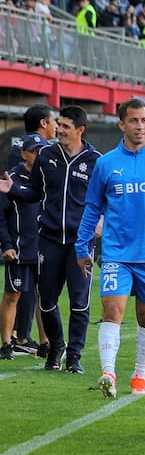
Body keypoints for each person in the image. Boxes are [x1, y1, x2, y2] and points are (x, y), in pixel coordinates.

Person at [72, 100, 145, 397]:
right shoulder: (107, 163)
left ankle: (139, 375)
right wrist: (82, 245)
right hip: (116, 252)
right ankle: (108, 372)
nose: (140, 126)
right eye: (133, 120)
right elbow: (93, 206)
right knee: (112, 310)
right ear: (121, 124)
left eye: (144, 120)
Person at [0, 106, 101, 373]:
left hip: (81, 243)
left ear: (80, 130)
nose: (60, 130)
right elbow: (33, 192)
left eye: (66, 126)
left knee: (80, 301)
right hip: (49, 239)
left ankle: (74, 356)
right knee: (46, 299)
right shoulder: (46, 155)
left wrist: (102, 221)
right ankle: (56, 346)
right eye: (60, 125)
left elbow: (106, 199)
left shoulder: (95, 160)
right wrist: (13, 190)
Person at [0, 135, 46, 360]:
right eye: (34, 150)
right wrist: (6, 244)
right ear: (23, 154)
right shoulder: (12, 178)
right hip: (19, 248)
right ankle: (7, 343)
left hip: (45, 249)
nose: (38, 155)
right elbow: (1, 215)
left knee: (46, 297)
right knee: (12, 295)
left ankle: (47, 342)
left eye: (42, 150)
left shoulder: (49, 177)